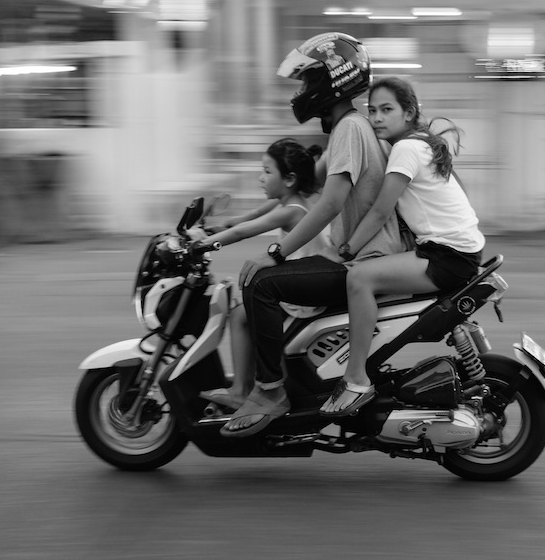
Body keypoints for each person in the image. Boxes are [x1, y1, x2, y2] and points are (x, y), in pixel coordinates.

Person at [221, 32, 405, 438]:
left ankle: (269, 392)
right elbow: (303, 186)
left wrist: (276, 253)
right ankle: (263, 385)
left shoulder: (349, 130)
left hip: (362, 261)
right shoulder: (349, 129)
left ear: (328, 82)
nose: (301, 92)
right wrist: (224, 227)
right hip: (359, 257)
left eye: (306, 82)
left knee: (260, 283)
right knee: (266, 281)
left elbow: (330, 203)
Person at [319, 76, 486, 416]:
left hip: (447, 256)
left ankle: (355, 379)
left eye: (386, 110)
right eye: (372, 110)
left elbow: (380, 210)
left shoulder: (406, 148)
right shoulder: (422, 142)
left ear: (408, 113)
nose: (377, 118)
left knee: (360, 279)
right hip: (462, 250)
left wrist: (346, 250)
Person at [190, 138, 329, 411]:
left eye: (267, 172)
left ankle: (244, 390)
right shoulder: (292, 202)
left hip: (304, 296)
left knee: (242, 311)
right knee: (242, 309)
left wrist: (202, 245)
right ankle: (245, 387)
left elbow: (244, 231)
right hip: (302, 286)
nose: (260, 177)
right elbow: (248, 218)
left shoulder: (291, 211)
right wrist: (217, 228)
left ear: (289, 179)